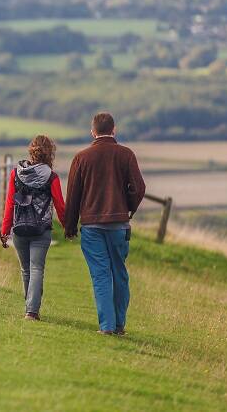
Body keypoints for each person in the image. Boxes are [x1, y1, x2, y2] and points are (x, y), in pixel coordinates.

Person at [64, 112, 145, 335]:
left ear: (93, 131)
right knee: (119, 273)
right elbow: (139, 188)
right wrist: (126, 207)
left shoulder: (81, 158)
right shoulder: (126, 155)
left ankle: (106, 327)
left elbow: (73, 196)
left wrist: (70, 227)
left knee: (100, 274)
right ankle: (119, 325)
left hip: (91, 226)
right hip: (119, 225)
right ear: (114, 129)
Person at [0, 135, 66, 321]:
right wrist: (67, 227)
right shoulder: (52, 177)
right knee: (37, 268)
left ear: (32, 151)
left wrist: (5, 230)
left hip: (19, 228)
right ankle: (32, 311)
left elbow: (9, 204)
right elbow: (60, 205)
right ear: (50, 154)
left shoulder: (16, 173)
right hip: (41, 230)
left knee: (26, 270)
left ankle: (29, 308)